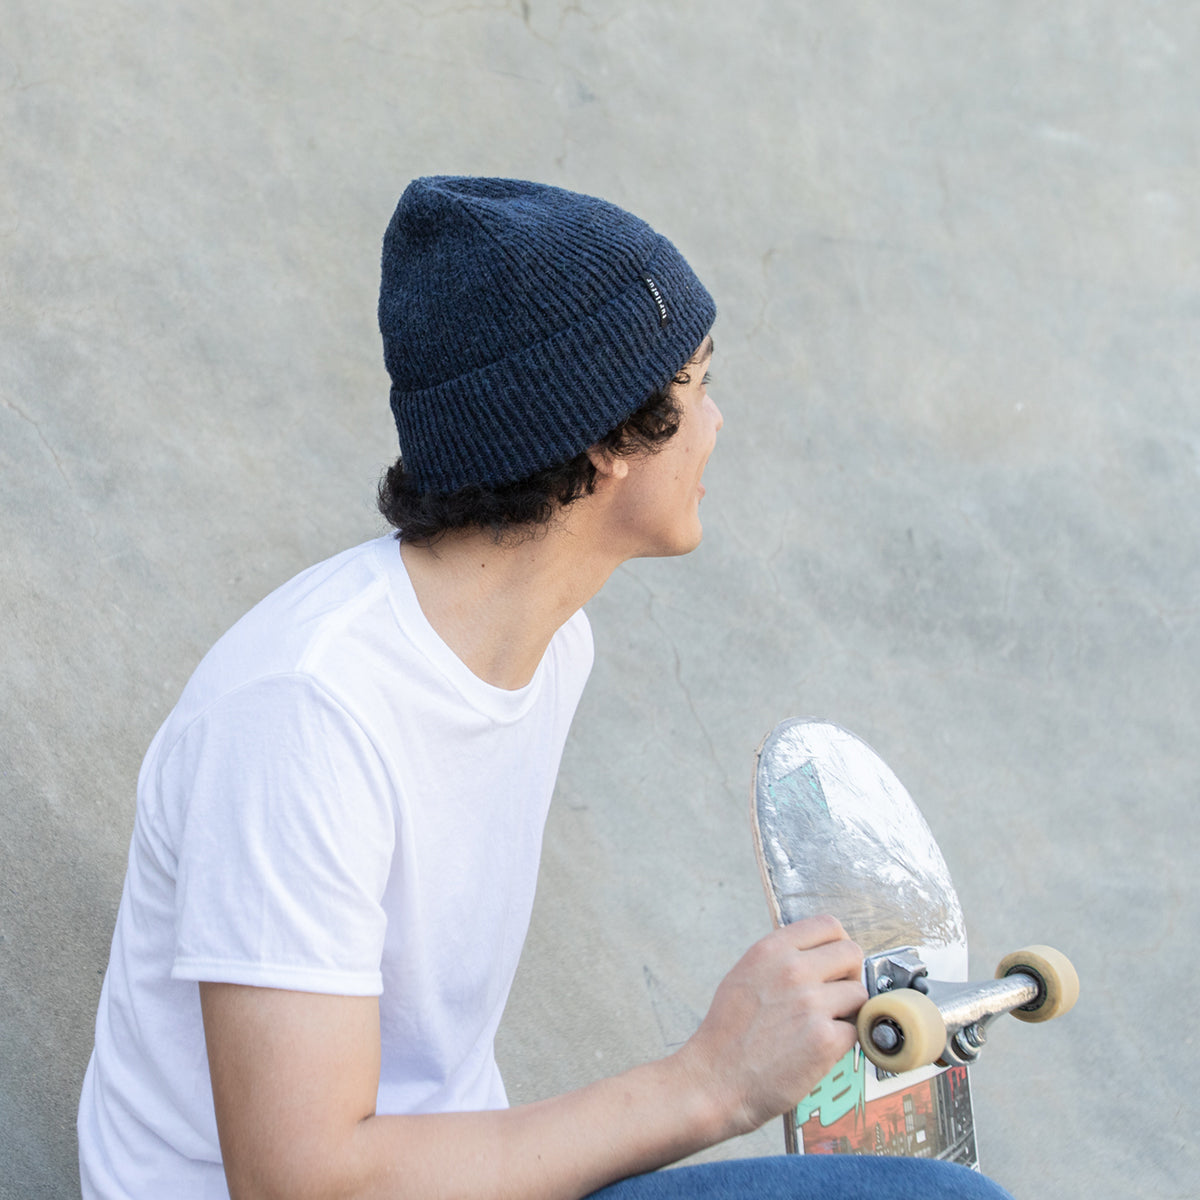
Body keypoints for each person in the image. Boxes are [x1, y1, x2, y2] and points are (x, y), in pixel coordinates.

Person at [78, 176, 1011, 1199]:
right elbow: (304, 1183)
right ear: (608, 435)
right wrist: (709, 1082)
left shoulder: (550, 646)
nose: (717, 425)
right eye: (694, 387)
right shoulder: (306, 715)